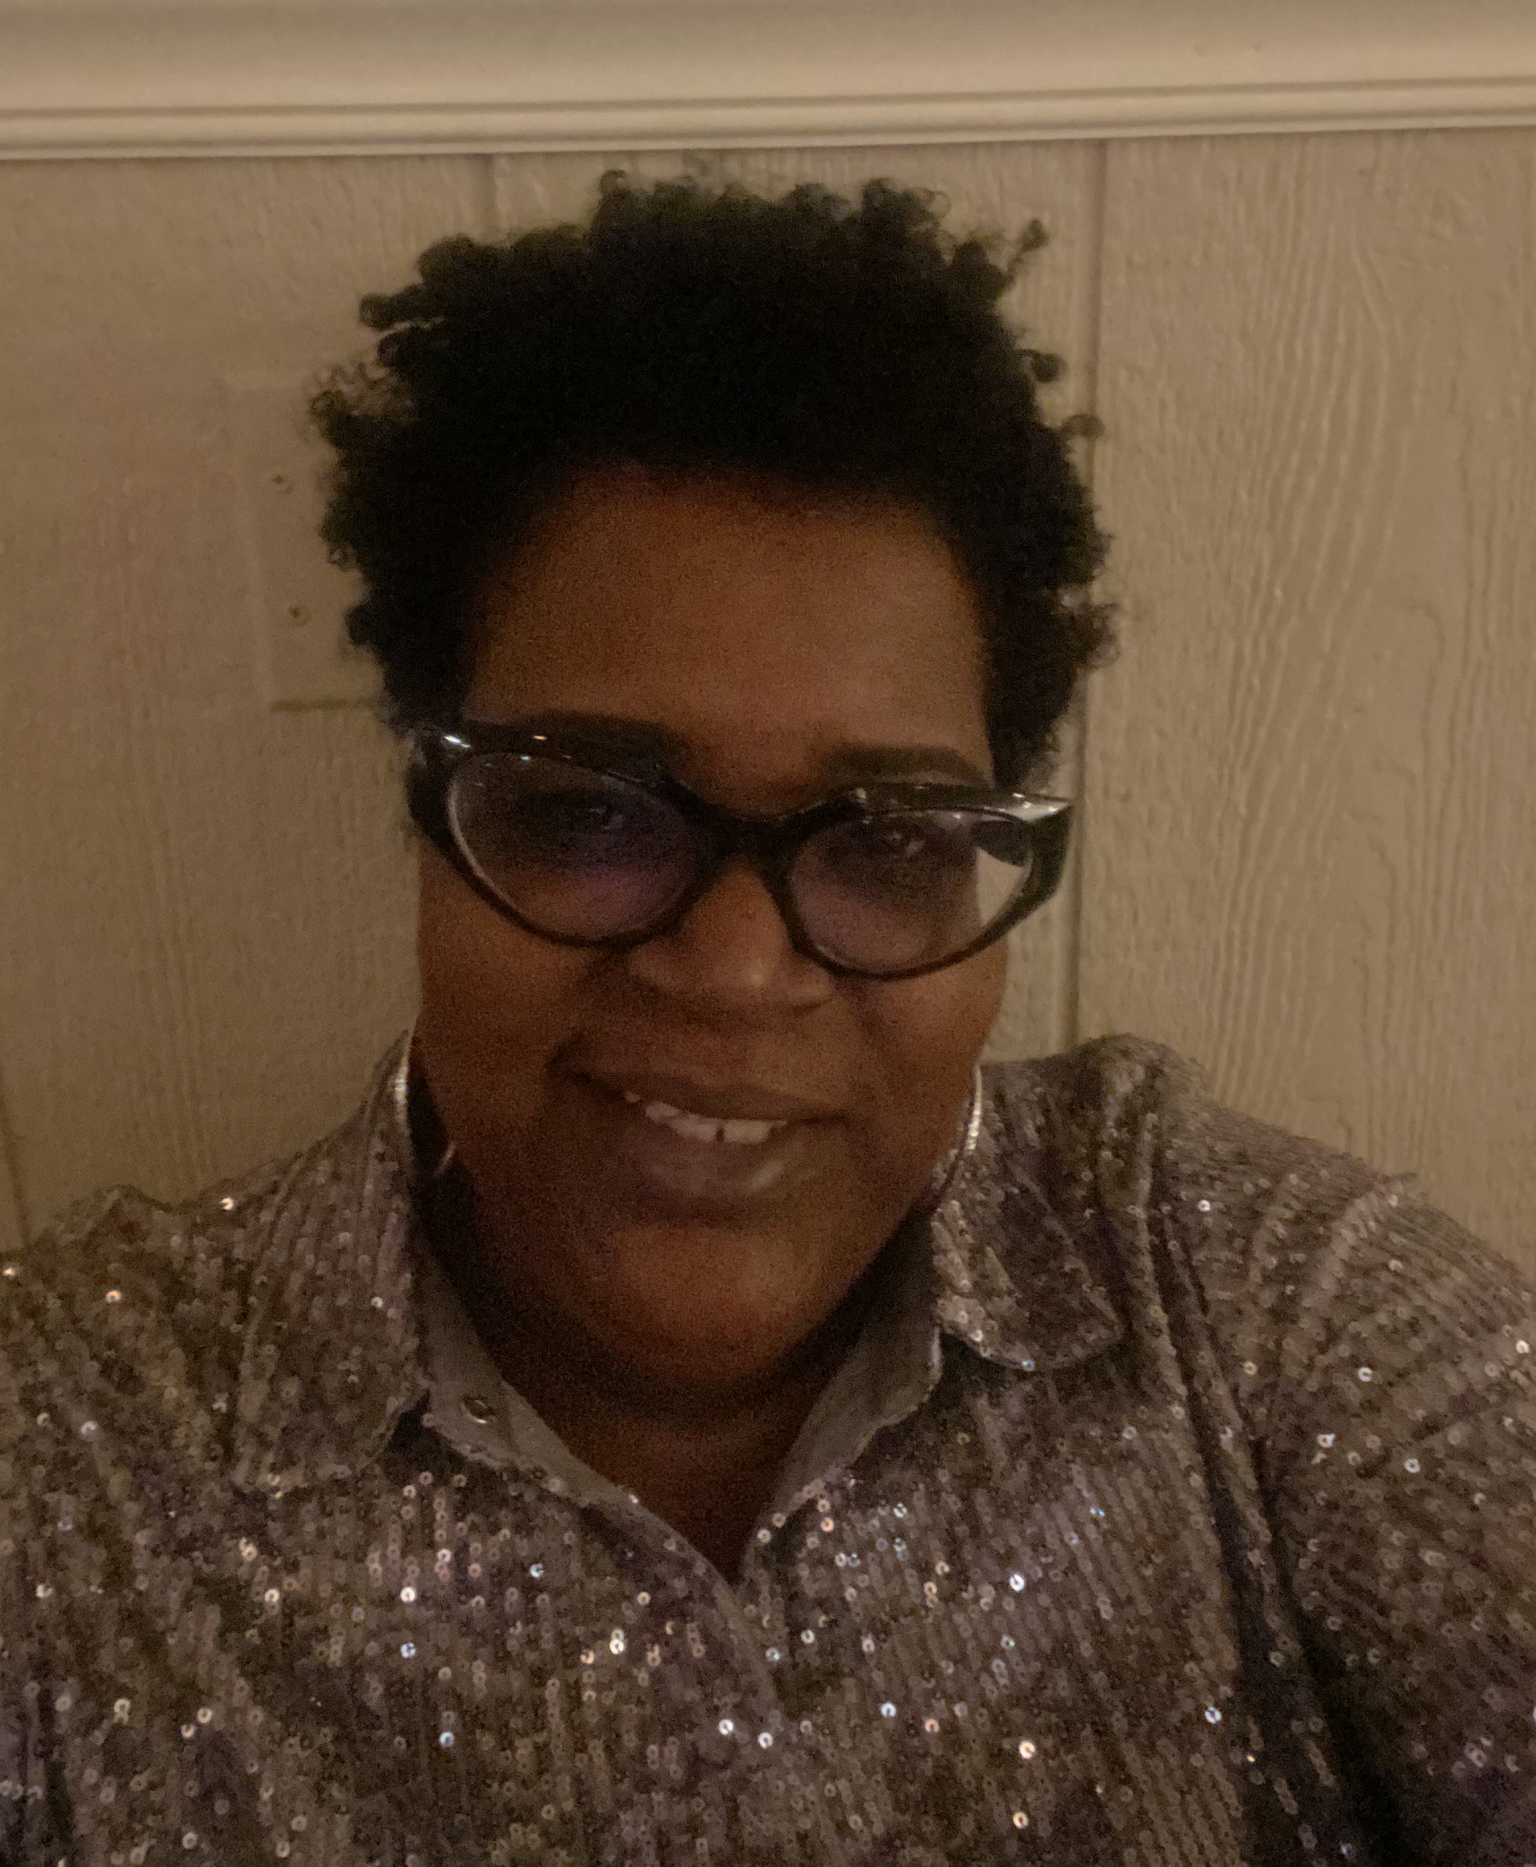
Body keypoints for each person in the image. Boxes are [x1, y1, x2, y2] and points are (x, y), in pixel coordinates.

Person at [1, 173, 1532, 1867]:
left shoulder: (1253, 1315)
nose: (735, 974)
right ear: (431, 821)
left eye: (888, 841)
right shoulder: (69, 1449)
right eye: (589, 813)